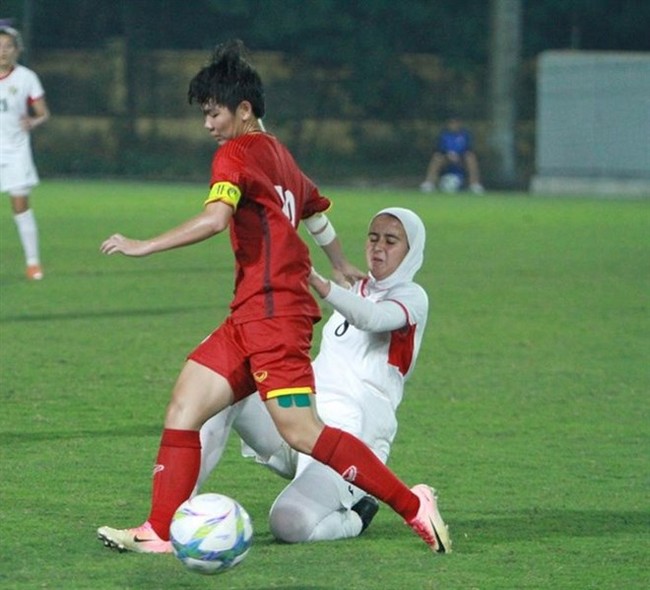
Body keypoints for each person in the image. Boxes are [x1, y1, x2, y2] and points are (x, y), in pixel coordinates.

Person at [96, 39, 449, 556]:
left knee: (302, 431)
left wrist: (143, 245)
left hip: (276, 314)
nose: (208, 125)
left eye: (214, 113)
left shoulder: (235, 154)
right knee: (185, 405)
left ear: (243, 110)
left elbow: (218, 219)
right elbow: (314, 210)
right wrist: (338, 260)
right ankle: (159, 529)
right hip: (249, 311)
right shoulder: (279, 154)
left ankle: (412, 503)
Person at [197, 206, 436, 544]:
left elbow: (371, 318)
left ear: (412, 252)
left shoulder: (412, 297)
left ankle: (356, 516)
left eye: (391, 241)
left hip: (355, 439)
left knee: (289, 524)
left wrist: (319, 282)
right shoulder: (354, 288)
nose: (378, 247)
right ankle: (177, 511)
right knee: (222, 381)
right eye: (373, 237)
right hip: (301, 422)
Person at [0, 25, 50, 280]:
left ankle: (33, 263)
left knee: (20, 206)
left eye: (8, 46)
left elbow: (43, 113)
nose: (2, 52)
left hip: (16, 152)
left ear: (17, 50)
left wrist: (33, 121)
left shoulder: (26, 77)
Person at [420, 116, 484, 194]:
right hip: (447, 158)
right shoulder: (444, 135)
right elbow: (440, 148)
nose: (454, 125)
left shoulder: (465, 135)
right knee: (437, 157)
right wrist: (448, 154)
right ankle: (429, 183)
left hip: (461, 159)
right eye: (452, 123)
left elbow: (468, 148)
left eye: (456, 123)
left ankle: (474, 184)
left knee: (470, 157)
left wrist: (459, 155)